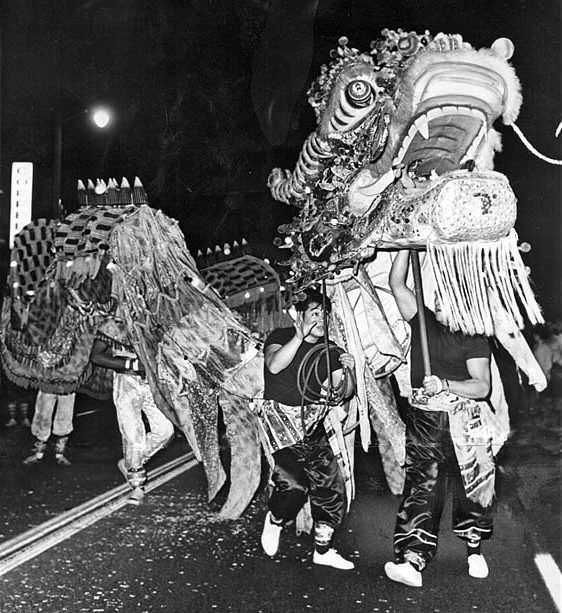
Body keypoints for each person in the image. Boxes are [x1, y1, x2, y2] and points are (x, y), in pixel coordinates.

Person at [384, 250, 495, 587]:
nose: (443, 299)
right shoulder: (423, 320)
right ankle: (412, 560)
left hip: (465, 419)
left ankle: (474, 548)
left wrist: (446, 384)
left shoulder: (474, 337)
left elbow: (482, 387)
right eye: (441, 294)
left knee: (471, 485)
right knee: (423, 483)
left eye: (451, 296)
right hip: (425, 418)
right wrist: (406, 245)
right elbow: (396, 283)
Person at [259, 287, 357, 570]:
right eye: (314, 313)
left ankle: (323, 549)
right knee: (294, 484)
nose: (320, 319)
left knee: (331, 485)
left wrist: (347, 372)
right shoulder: (279, 337)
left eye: (325, 314)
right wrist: (298, 337)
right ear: (300, 315)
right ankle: (276, 519)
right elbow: (275, 366)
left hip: (312, 422)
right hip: (279, 422)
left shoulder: (331, 350)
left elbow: (343, 393)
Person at [90, 316, 174, 505]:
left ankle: (129, 463)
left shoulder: (153, 321)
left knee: (166, 431)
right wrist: (132, 364)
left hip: (151, 383)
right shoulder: (113, 325)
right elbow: (96, 356)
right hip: (126, 382)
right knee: (134, 435)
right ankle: (137, 486)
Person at [23, 390, 76, 466]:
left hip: (68, 385)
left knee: (65, 414)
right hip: (48, 383)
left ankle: (60, 454)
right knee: (43, 414)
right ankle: (38, 453)